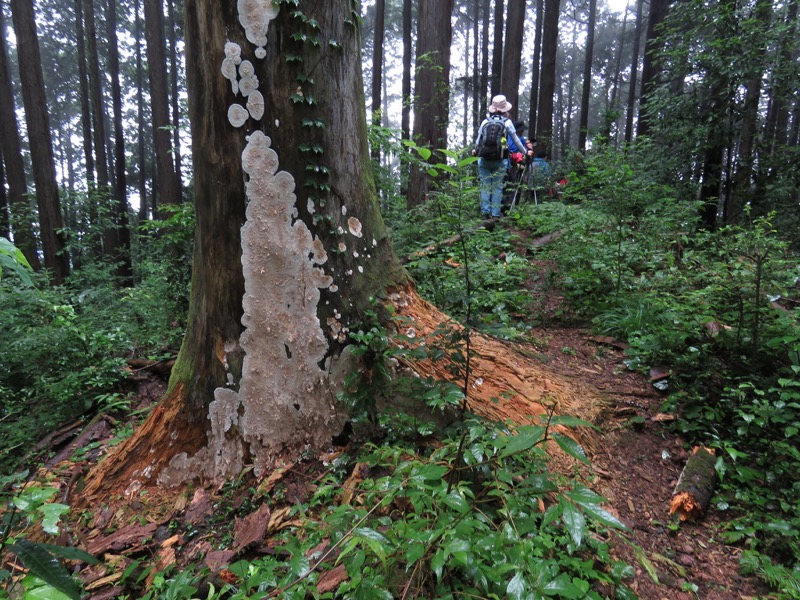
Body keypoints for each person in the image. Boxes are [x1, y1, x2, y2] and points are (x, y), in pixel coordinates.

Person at [472, 95, 531, 218]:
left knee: (485, 185)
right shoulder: (507, 122)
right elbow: (516, 141)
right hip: (500, 159)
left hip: (483, 159)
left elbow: (478, 142)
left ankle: (485, 213)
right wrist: (525, 152)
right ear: (505, 109)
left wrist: (476, 151)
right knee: (497, 186)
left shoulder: (485, 122)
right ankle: (495, 214)